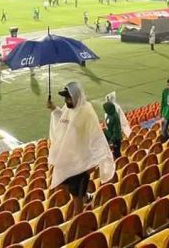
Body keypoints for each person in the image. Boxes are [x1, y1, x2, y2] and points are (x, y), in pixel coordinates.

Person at [46, 81, 116, 218]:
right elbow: (65, 121)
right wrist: (54, 108)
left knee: (77, 199)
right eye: (65, 98)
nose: (66, 100)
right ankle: (85, 196)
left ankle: (78, 225)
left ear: (76, 97)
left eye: (69, 97)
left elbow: (96, 135)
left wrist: (97, 160)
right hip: (69, 159)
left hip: (81, 164)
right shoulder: (69, 108)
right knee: (62, 185)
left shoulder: (86, 112)